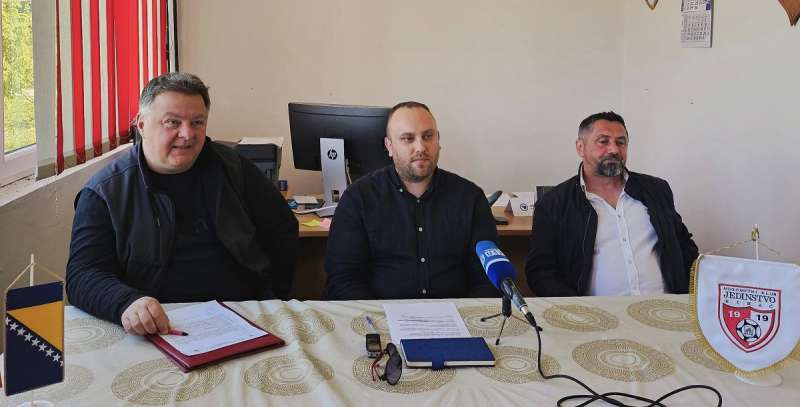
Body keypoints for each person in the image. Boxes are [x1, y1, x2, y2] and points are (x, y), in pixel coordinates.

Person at [66, 72, 298, 335]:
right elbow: (82, 275)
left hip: (243, 315)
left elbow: (283, 229)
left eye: (197, 122)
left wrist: (272, 295)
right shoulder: (105, 192)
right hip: (158, 325)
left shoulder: (234, 169)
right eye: (172, 122)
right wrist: (127, 303)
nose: (187, 135)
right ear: (141, 125)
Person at [325, 101, 499, 300]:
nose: (420, 147)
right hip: (379, 315)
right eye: (408, 139)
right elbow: (343, 279)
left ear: (438, 140)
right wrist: (375, 316)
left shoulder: (470, 197)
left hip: (457, 315)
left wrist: (470, 315)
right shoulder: (358, 198)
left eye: (428, 136)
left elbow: (487, 278)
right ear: (389, 146)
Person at [525, 111, 698, 297]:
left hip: (664, 308)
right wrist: (576, 309)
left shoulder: (656, 190)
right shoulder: (553, 204)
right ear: (580, 147)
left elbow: (683, 246)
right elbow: (540, 271)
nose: (614, 149)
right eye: (603, 141)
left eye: (621, 142)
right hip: (595, 313)